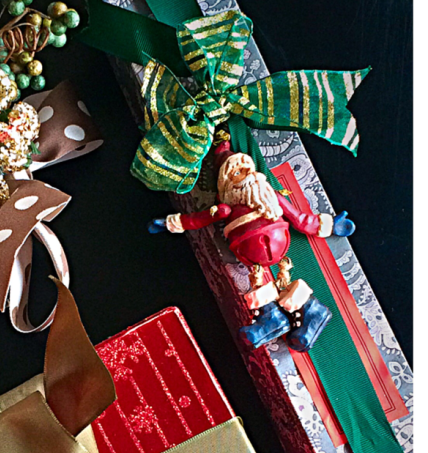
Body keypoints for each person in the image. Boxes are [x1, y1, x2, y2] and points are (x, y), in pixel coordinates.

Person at [151, 140, 356, 352]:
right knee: (259, 282)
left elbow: (300, 219)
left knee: (282, 281)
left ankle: (312, 312)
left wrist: (331, 225)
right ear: (227, 183)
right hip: (249, 254)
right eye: (237, 172)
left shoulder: (272, 198)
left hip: (278, 246)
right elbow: (198, 219)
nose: (247, 175)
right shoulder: (224, 209)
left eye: (247, 168)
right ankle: (271, 318)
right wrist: (170, 223)